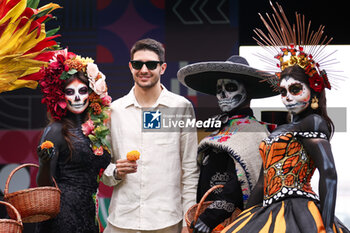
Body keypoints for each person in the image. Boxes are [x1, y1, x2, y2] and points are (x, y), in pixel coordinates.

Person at [222, 3, 349, 233]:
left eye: (295, 89)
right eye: (283, 91)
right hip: (267, 211)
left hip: (300, 213)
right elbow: (262, 183)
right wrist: (243, 219)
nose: (287, 97)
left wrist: (328, 226)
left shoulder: (314, 122)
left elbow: (329, 174)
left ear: (314, 91)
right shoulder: (284, 128)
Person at [101, 38, 199, 233]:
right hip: (122, 220)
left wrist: (189, 220)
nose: (144, 70)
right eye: (138, 64)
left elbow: (190, 169)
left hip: (167, 221)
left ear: (162, 68)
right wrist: (116, 172)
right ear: (130, 67)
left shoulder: (181, 107)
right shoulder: (114, 110)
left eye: (151, 64)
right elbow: (102, 168)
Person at [177, 55, 278, 232]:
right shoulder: (220, 128)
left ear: (248, 91)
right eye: (219, 88)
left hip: (234, 223)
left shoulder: (255, 132)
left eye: (230, 87)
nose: (222, 94)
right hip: (207, 221)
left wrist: (209, 219)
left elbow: (239, 184)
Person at [35, 49, 112, 233]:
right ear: (61, 96)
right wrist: (45, 163)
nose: (77, 97)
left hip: (88, 214)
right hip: (62, 217)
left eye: (82, 90)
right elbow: (44, 185)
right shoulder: (55, 130)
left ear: (91, 93)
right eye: (70, 92)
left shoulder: (96, 128)